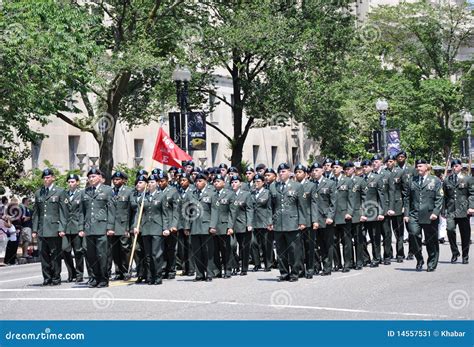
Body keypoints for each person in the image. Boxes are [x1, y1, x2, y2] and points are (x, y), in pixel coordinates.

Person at [404, 159, 443, 272]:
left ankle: (431, 262)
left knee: (431, 240)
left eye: (420, 166)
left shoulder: (435, 180)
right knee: (414, 235)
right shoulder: (412, 181)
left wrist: (435, 213)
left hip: (429, 215)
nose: (418, 168)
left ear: (426, 167)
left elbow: (439, 198)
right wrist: (406, 214)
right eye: (417, 166)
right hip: (414, 214)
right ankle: (419, 259)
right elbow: (407, 199)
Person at [269, 163, 306, 282]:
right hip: (278, 224)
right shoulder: (273, 186)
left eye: (283, 171)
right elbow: (271, 207)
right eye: (279, 172)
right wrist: (270, 221)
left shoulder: (297, 186)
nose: (281, 174)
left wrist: (302, 221)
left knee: (294, 250)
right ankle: (284, 273)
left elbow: (301, 206)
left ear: (289, 173)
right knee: (280, 251)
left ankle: (295, 273)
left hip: (292, 222)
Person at [81, 168, 115, 287]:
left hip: (102, 227)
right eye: (89, 177)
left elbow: (111, 209)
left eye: (94, 176)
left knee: (102, 254)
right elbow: (82, 212)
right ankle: (94, 278)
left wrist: (110, 227)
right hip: (89, 228)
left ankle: (103, 279)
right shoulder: (85, 191)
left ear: (100, 177)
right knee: (91, 255)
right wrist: (81, 228)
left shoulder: (108, 190)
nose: (91, 179)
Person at [32, 168, 67, 286]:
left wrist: (62, 228)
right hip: (42, 229)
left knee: (55, 254)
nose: (46, 180)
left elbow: (63, 212)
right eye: (44, 178)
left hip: (54, 228)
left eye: (48, 177)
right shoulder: (38, 193)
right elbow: (36, 213)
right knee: (43, 254)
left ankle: (56, 277)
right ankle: (47, 277)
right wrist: (34, 229)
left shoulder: (60, 191)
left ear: (53, 178)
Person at [133, 174, 170, 285]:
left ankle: (158, 276)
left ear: (157, 183)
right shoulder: (143, 197)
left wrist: (165, 227)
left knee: (156, 254)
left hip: (157, 228)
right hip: (145, 228)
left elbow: (165, 214)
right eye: (148, 182)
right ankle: (150, 276)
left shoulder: (162, 196)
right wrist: (136, 226)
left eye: (153, 182)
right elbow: (138, 213)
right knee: (147, 255)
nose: (150, 184)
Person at [184, 173, 217, 282]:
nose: (197, 183)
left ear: (205, 181)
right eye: (196, 181)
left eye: (200, 181)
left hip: (206, 226)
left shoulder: (211, 194)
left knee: (208, 252)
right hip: (195, 227)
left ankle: (209, 273)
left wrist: (213, 226)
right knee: (197, 252)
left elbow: (214, 211)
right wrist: (187, 226)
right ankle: (199, 274)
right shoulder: (191, 194)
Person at [443, 159, 473, 264]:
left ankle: (465, 255)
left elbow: (472, 194)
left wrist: (471, 207)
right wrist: (443, 210)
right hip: (451, 210)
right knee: (450, 230)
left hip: (464, 210)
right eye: (453, 166)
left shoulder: (467, 178)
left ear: (460, 167)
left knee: (465, 234)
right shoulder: (447, 180)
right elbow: (444, 196)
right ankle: (455, 252)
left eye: (456, 166)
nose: (454, 168)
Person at [310, 162, 336, 276]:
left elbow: (333, 203)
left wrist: (330, 217)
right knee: (316, 244)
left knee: (327, 244)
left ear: (322, 171)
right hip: (314, 220)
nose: (314, 172)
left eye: (316, 170)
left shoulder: (330, 183)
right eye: (313, 170)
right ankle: (316, 266)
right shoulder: (310, 184)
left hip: (326, 219)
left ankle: (327, 267)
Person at [108, 171, 134, 281]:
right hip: (113, 225)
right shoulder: (110, 192)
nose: (115, 181)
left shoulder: (129, 191)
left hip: (124, 225)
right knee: (115, 250)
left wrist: (129, 228)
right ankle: (118, 271)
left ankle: (126, 271)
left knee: (125, 250)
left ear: (123, 180)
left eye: (118, 179)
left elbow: (131, 211)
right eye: (114, 179)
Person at [331, 160, 355, 272]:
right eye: (333, 167)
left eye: (336, 167)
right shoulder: (330, 181)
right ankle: (337, 263)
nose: (334, 169)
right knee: (334, 241)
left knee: (346, 241)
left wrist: (350, 212)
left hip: (345, 215)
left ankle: (347, 263)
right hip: (333, 216)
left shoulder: (348, 181)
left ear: (341, 169)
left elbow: (351, 198)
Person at [210, 174, 235, 278]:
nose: (216, 183)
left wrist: (230, 227)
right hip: (213, 227)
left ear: (224, 183)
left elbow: (232, 212)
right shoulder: (211, 194)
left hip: (224, 226)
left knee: (226, 250)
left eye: (219, 181)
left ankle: (228, 269)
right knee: (215, 250)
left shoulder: (230, 194)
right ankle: (217, 271)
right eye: (215, 181)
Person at [63, 174, 86, 283]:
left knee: (78, 251)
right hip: (66, 227)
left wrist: (82, 227)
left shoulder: (81, 194)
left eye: (73, 182)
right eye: (69, 182)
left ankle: (79, 274)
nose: (71, 184)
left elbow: (83, 212)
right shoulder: (64, 194)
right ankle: (71, 272)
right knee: (65, 250)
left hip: (77, 226)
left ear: (77, 182)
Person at [229, 174, 253, 276]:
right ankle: (235, 265)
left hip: (242, 224)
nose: (234, 184)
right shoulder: (228, 194)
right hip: (231, 225)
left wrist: (249, 223)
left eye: (236, 182)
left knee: (244, 247)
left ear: (240, 184)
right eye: (232, 182)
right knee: (231, 246)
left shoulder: (246, 194)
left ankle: (244, 268)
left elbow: (249, 209)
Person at [159, 172, 180, 280]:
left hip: (170, 224)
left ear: (167, 181)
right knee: (160, 249)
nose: (160, 183)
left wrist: (174, 225)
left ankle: (171, 269)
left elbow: (176, 210)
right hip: (160, 224)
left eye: (162, 181)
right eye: (159, 181)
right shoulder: (156, 192)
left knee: (171, 249)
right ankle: (163, 269)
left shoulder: (173, 191)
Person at [250, 174, 273, 272]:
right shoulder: (251, 193)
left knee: (266, 244)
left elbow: (269, 208)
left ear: (263, 182)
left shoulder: (267, 193)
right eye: (255, 181)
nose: (256, 183)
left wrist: (269, 222)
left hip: (264, 221)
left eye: (258, 181)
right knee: (253, 243)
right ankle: (257, 263)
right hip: (253, 222)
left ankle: (268, 264)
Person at [177, 173, 195, 276]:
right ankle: (185, 268)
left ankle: (191, 268)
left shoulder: (193, 191)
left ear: (189, 180)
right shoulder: (178, 191)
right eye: (181, 180)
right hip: (180, 223)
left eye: (184, 180)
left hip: (190, 223)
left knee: (190, 246)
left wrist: (188, 225)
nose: (182, 182)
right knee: (182, 248)